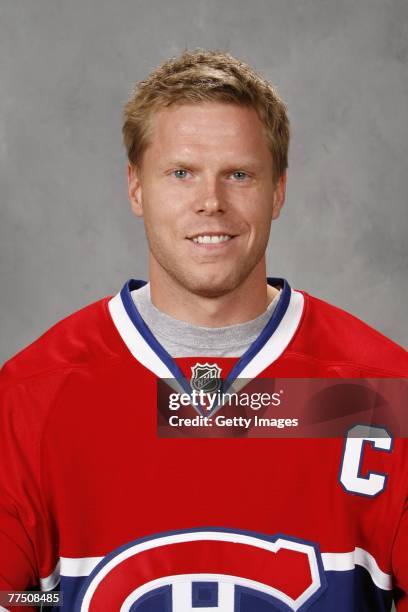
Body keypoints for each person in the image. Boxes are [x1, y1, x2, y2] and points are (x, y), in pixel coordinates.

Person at [0, 49, 407, 612]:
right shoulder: (32, 394)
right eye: (181, 173)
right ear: (136, 188)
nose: (210, 202)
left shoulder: (381, 391)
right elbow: (13, 599)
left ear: (278, 191)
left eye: (239, 174)